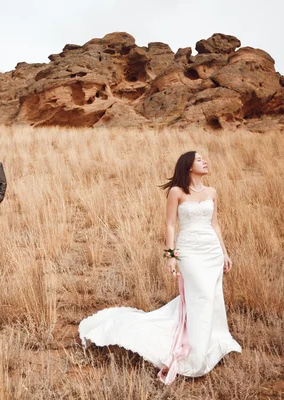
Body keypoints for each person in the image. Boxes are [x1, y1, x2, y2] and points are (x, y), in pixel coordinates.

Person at [78, 151, 241, 384]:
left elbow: (215, 224)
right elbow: (170, 225)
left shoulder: (212, 192)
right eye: (199, 159)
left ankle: (210, 343)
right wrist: (171, 256)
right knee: (201, 295)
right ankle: (195, 351)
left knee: (211, 297)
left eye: (205, 158)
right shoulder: (177, 192)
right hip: (189, 252)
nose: (205, 161)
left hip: (212, 252)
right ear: (187, 166)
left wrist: (224, 252)